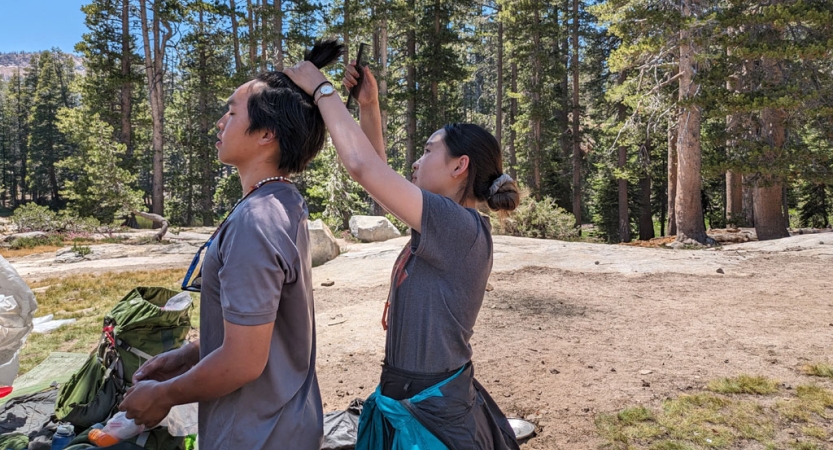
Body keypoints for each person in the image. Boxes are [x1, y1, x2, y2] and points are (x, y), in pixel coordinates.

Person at [284, 49, 521, 450]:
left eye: (428, 151)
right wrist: (369, 106)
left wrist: (321, 89)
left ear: (459, 166)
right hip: (417, 399)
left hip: (429, 412)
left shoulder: (456, 226)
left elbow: (364, 168)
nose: (415, 162)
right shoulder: (449, 224)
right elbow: (376, 175)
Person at [118, 41, 346, 449]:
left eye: (232, 112)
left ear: (267, 134)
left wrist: (163, 396)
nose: (220, 123)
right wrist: (191, 354)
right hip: (286, 426)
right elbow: (259, 325)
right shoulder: (283, 201)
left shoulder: (256, 221)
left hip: (257, 435)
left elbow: (243, 361)